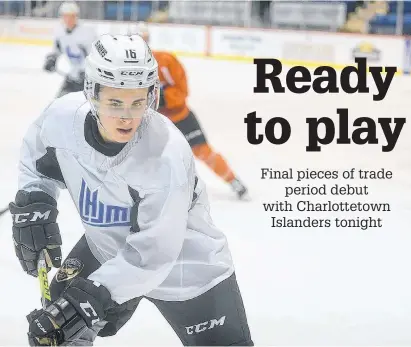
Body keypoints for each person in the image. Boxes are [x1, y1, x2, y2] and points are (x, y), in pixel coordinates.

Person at [9, 34, 253, 346]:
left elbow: (153, 253)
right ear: (92, 93)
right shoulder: (61, 118)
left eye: (138, 102)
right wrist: (35, 198)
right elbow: (36, 153)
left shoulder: (165, 154)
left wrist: (97, 294)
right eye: (115, 102)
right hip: (107, 249)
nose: (127, 116)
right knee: (59, 325)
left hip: (187, 272)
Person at [128, 22, 249, 200]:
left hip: (179, 117)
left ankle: (232, 180)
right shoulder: (127, 70)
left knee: (202, 151)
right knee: (144, 156)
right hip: (152, 122)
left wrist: (161, 97)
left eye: (143, 40)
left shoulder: (165, 61)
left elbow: (182, 91)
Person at [43, 1, 97, 98]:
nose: (68, 19)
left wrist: (87, 71)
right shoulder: (60, 33)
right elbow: (57, 50)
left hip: (89, 80)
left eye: (71, 16)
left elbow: (95, 56)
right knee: (58, 104)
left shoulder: (87, 33)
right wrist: (51, 59)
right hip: (72, 77)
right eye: (65, 16)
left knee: (89, 108)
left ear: (76, 16)